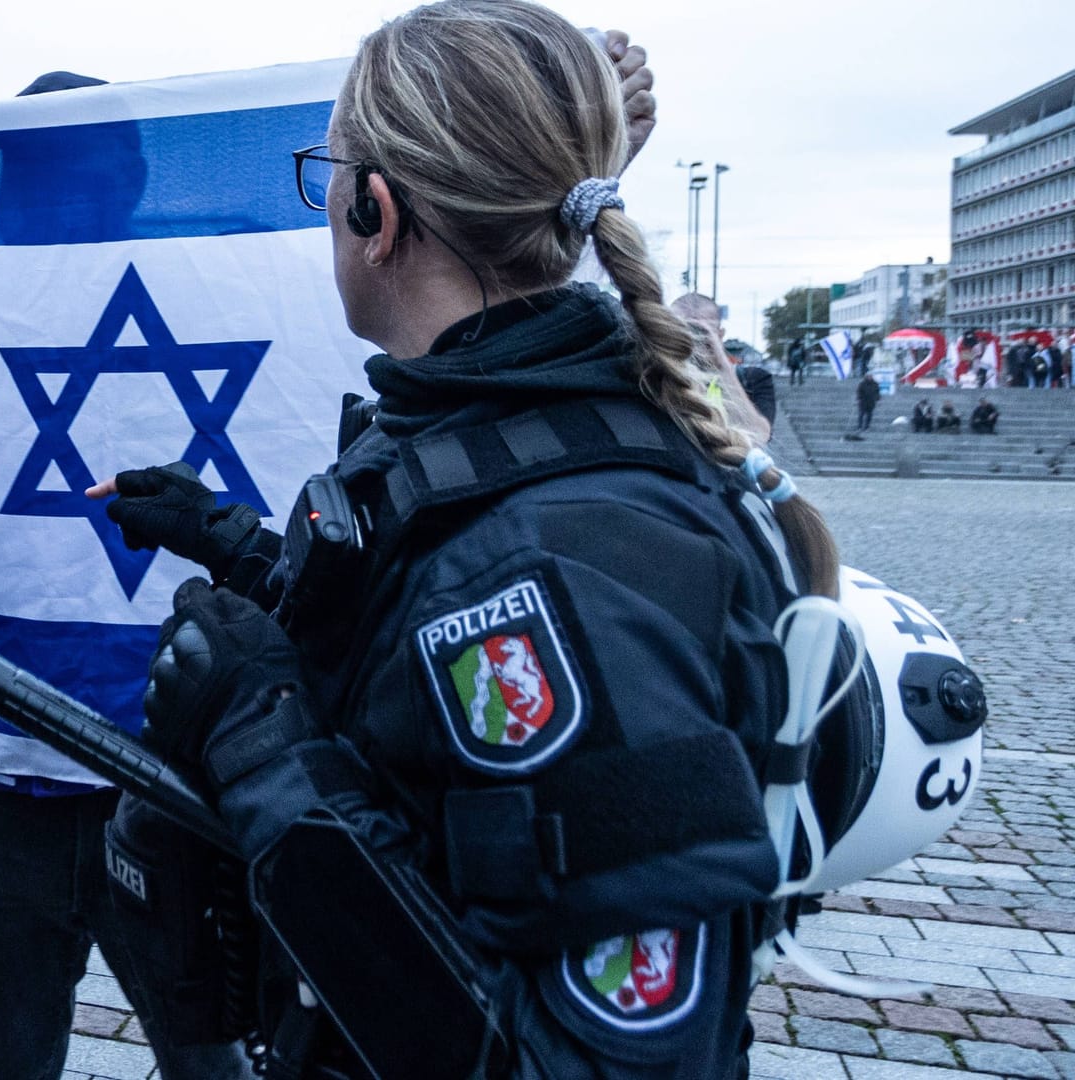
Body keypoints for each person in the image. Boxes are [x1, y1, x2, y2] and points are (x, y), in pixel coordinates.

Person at [93, 2, 825, 1074]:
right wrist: (235, 545)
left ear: (375, 213)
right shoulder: (485, 432)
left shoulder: (570, 554)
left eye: (325, 176)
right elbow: (417, 658)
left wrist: (266, 745)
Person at [0, 70, 253, 1080]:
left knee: (212, 1062)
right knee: (2, 1060)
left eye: (45, 165)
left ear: (127, 178)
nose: (17, 192)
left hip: (168, 778)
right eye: (14, 171)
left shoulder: (225, 291)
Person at [673, 292, 771, 442]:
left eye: (703, 331)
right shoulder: (651, 376)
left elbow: (760, 436)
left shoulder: (754, 379)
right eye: (683, 330)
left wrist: (722, 365)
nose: (694, 338)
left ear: (720, 334)